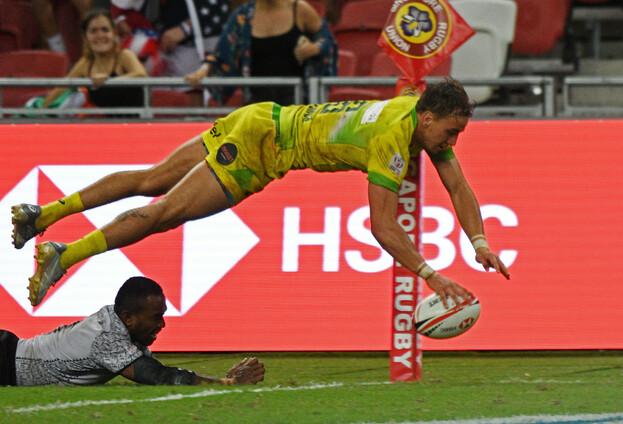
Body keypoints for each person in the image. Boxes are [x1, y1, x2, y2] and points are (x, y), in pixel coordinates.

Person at [12, 78, 510, 308]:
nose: (452, 142)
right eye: (451, 132)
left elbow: (458, 185)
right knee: (165, 212)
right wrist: (431, 275)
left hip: (260, 116)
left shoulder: (412, 107)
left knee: (151, 178)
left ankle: (45, 213)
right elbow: (382, 227)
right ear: (428, 118)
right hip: (262, 150)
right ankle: (64, 254)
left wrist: (480, 242)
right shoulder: (392, 141)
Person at [0, 276, 265, 386]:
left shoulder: (119, 323)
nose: (162, 324)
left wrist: (218, 380)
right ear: (128, 317)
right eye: (156, 317)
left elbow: (156, 368)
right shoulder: (107, 338)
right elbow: (158, 376)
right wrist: (227, 384)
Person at [184, 0, 338, 106]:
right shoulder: (243, 16)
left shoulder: (299, 9)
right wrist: (203, 71)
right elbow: (220, 53)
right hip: (256, 105)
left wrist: (315, 48)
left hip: (296, 103)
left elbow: (327, 40)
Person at [39, 8, 148, 110]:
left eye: (105, 30)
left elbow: (142, 75)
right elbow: (61, 89)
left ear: (114, 33)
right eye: (93, 31)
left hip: (135, 122)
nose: (100, 35)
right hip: (104, 123)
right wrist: (41, 110)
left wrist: (108, 81)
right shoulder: (86, 63)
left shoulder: (124, 55)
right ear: (85, 37)